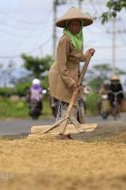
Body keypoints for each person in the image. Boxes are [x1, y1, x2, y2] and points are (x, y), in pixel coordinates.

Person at [48, 7, 95, 140]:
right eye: (73, 24)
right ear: (68, 26)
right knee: (67, 103)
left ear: (81, 26)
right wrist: (70, 82)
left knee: (74, 103)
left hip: (73, 75)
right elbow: (62, 64)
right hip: (61, 76)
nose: (75, 27)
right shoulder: (65, 40)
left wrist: (87, 55)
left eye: (77, 24)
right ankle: (63, 133)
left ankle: (66, 131)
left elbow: (77, 57)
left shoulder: (77, 40)